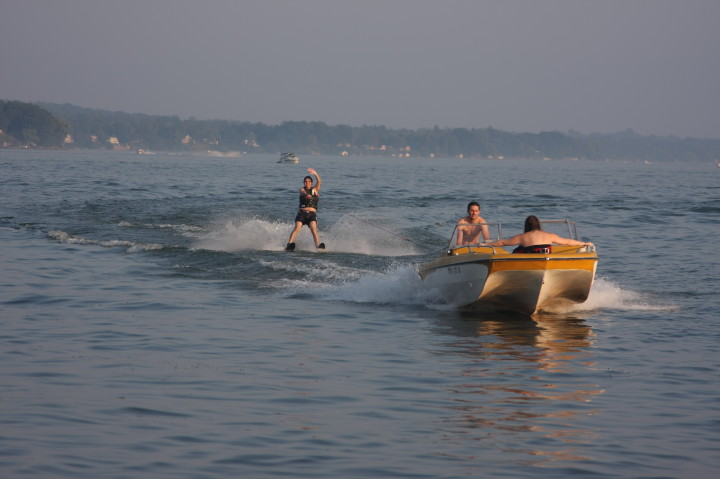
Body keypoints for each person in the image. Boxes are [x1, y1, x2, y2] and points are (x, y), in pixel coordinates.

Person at [485, 215, 593, 253]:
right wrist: (584, 243)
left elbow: (503, 242)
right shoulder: (551, 236)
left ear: (526, 225)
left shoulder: (522, 237)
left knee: (517, 250)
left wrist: (485, 245)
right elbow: (568, 242)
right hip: (546, 260)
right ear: (538, 225)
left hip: (529, 264)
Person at [285, 168, 325, 251]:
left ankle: (318, 246)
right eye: (305, 181)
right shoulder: (302, 189)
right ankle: (289, 244)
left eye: (309, 181)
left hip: (311, 214)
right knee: (297, 227)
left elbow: (319, 182)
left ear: (311, 183)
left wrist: (316, 174)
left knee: (313, 229)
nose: (307, 183)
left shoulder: (315, 190)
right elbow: (302, 192)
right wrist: (307, 194)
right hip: (302, 214)